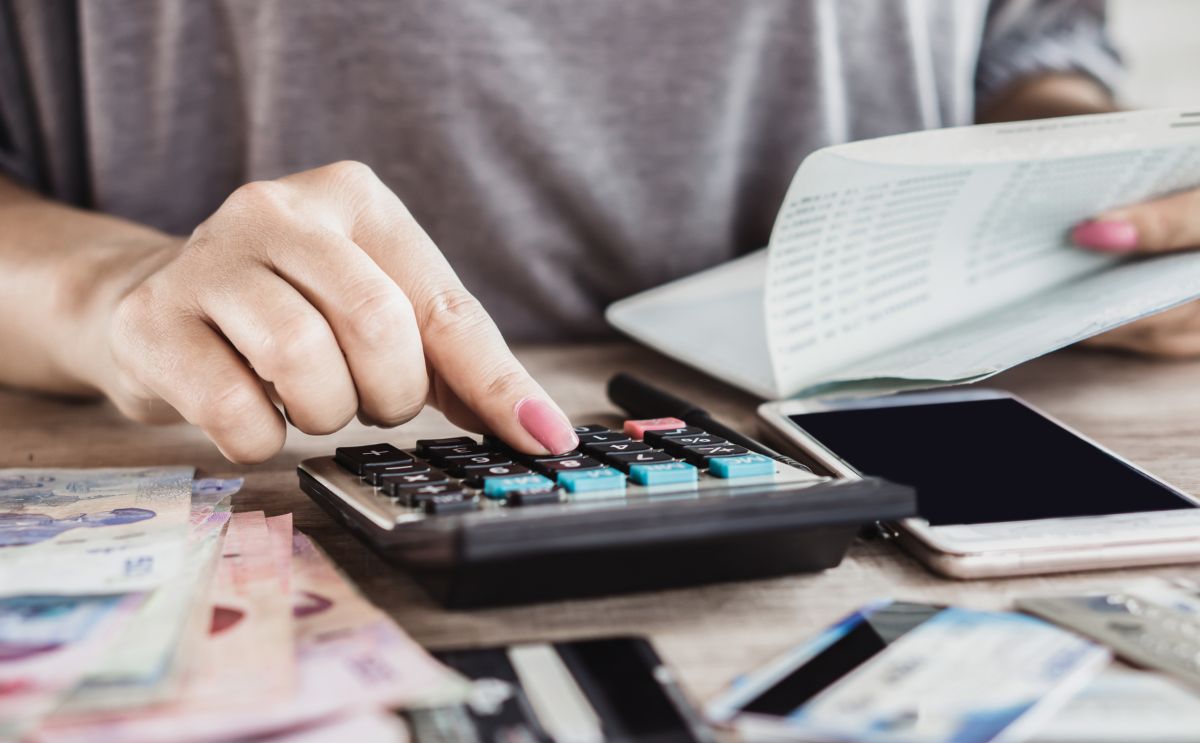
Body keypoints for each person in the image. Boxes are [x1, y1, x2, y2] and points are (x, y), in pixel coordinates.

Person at [0, 1, 1196, 464]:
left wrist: (1106, 184)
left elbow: (1031, 43)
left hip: (950, 439)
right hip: (236, 468)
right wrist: (115, 288)